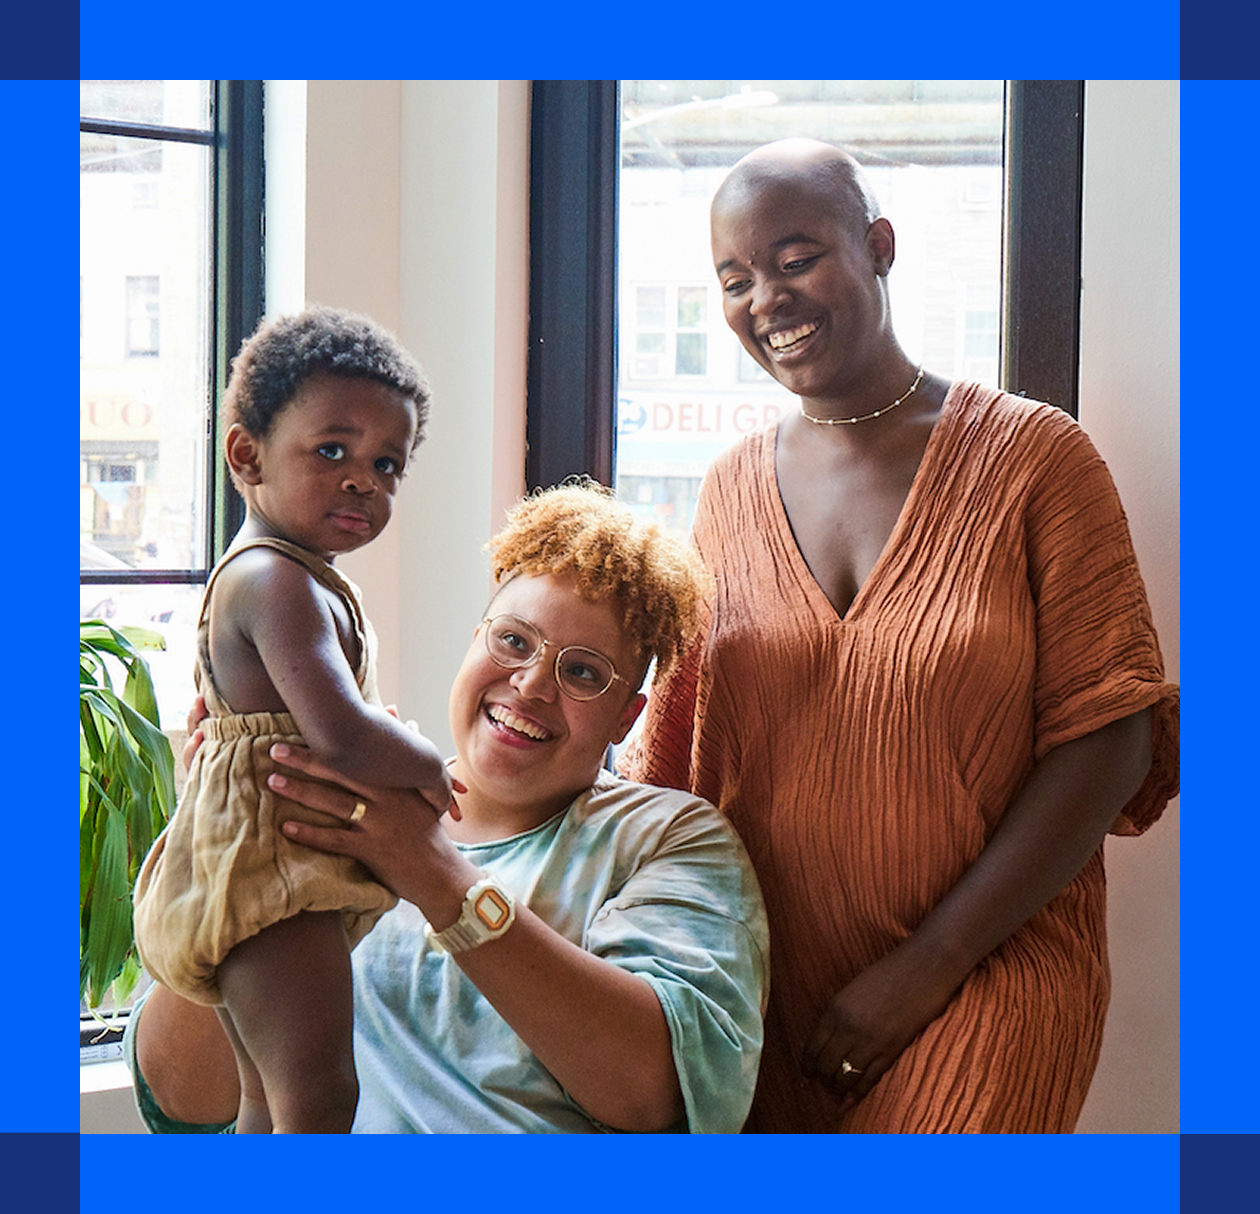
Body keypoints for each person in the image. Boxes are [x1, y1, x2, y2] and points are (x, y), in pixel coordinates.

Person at [621, 138, 1180, 1133]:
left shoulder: (1037, 458)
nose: (768, 299)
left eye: (796, 259)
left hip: (990, 971)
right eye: (736, 279)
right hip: (762, 986)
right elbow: (679, 749)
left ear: (878, 245)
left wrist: (929, 963)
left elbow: (1111, 736)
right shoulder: (726, 490)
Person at [125, 482, 769, 1134]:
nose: (531, 685)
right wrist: (231, 834)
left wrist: (434, 873)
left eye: (583, 673)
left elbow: (661, 1096)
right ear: (474, 641)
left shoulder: (671, 839)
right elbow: (181, 1101)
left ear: (628, 714)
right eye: (514, 641)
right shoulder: (327, 806)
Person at [132, 307, 457, 1134]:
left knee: (269, 1098)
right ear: (247, 455)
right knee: (319, 1097)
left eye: (388, 464)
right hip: (270, 876)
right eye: (334, 450)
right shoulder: (275, 581)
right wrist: (427, 761)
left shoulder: (291, 578)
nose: (364, 480)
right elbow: (342, 733)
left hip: (266, 866)